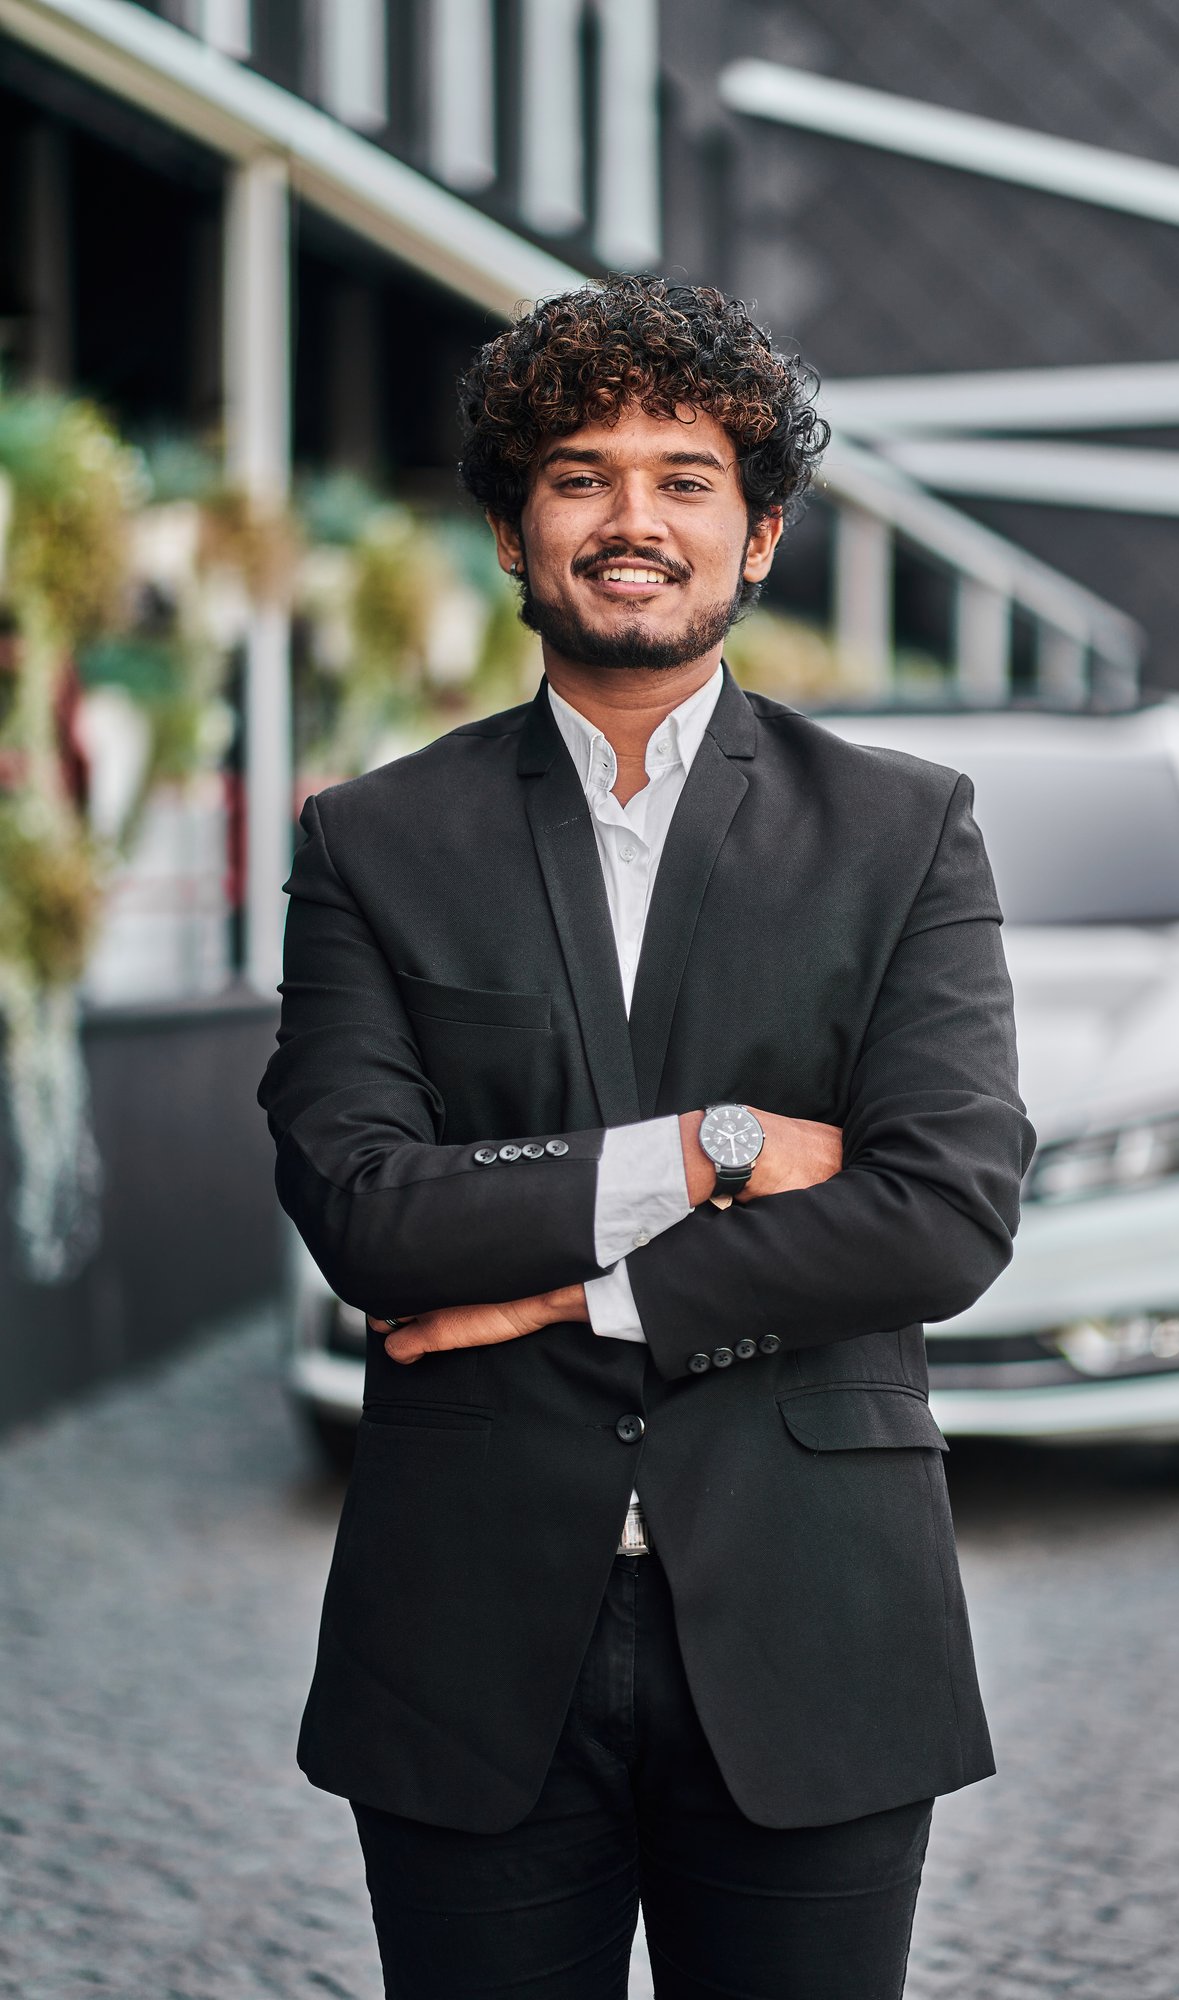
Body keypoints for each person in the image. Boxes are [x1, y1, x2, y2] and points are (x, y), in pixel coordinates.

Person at [257, 276, 1034, 1999]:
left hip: (815, 1619)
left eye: (684, 478)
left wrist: (555, 1297)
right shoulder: (375, 843)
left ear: (756, 539)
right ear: (510, 531)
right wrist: (715, 1145)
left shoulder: (902, 832)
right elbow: (370, 1215)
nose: (632, 520)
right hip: (467, 1636)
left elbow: (940, 1215)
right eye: (580, 474)